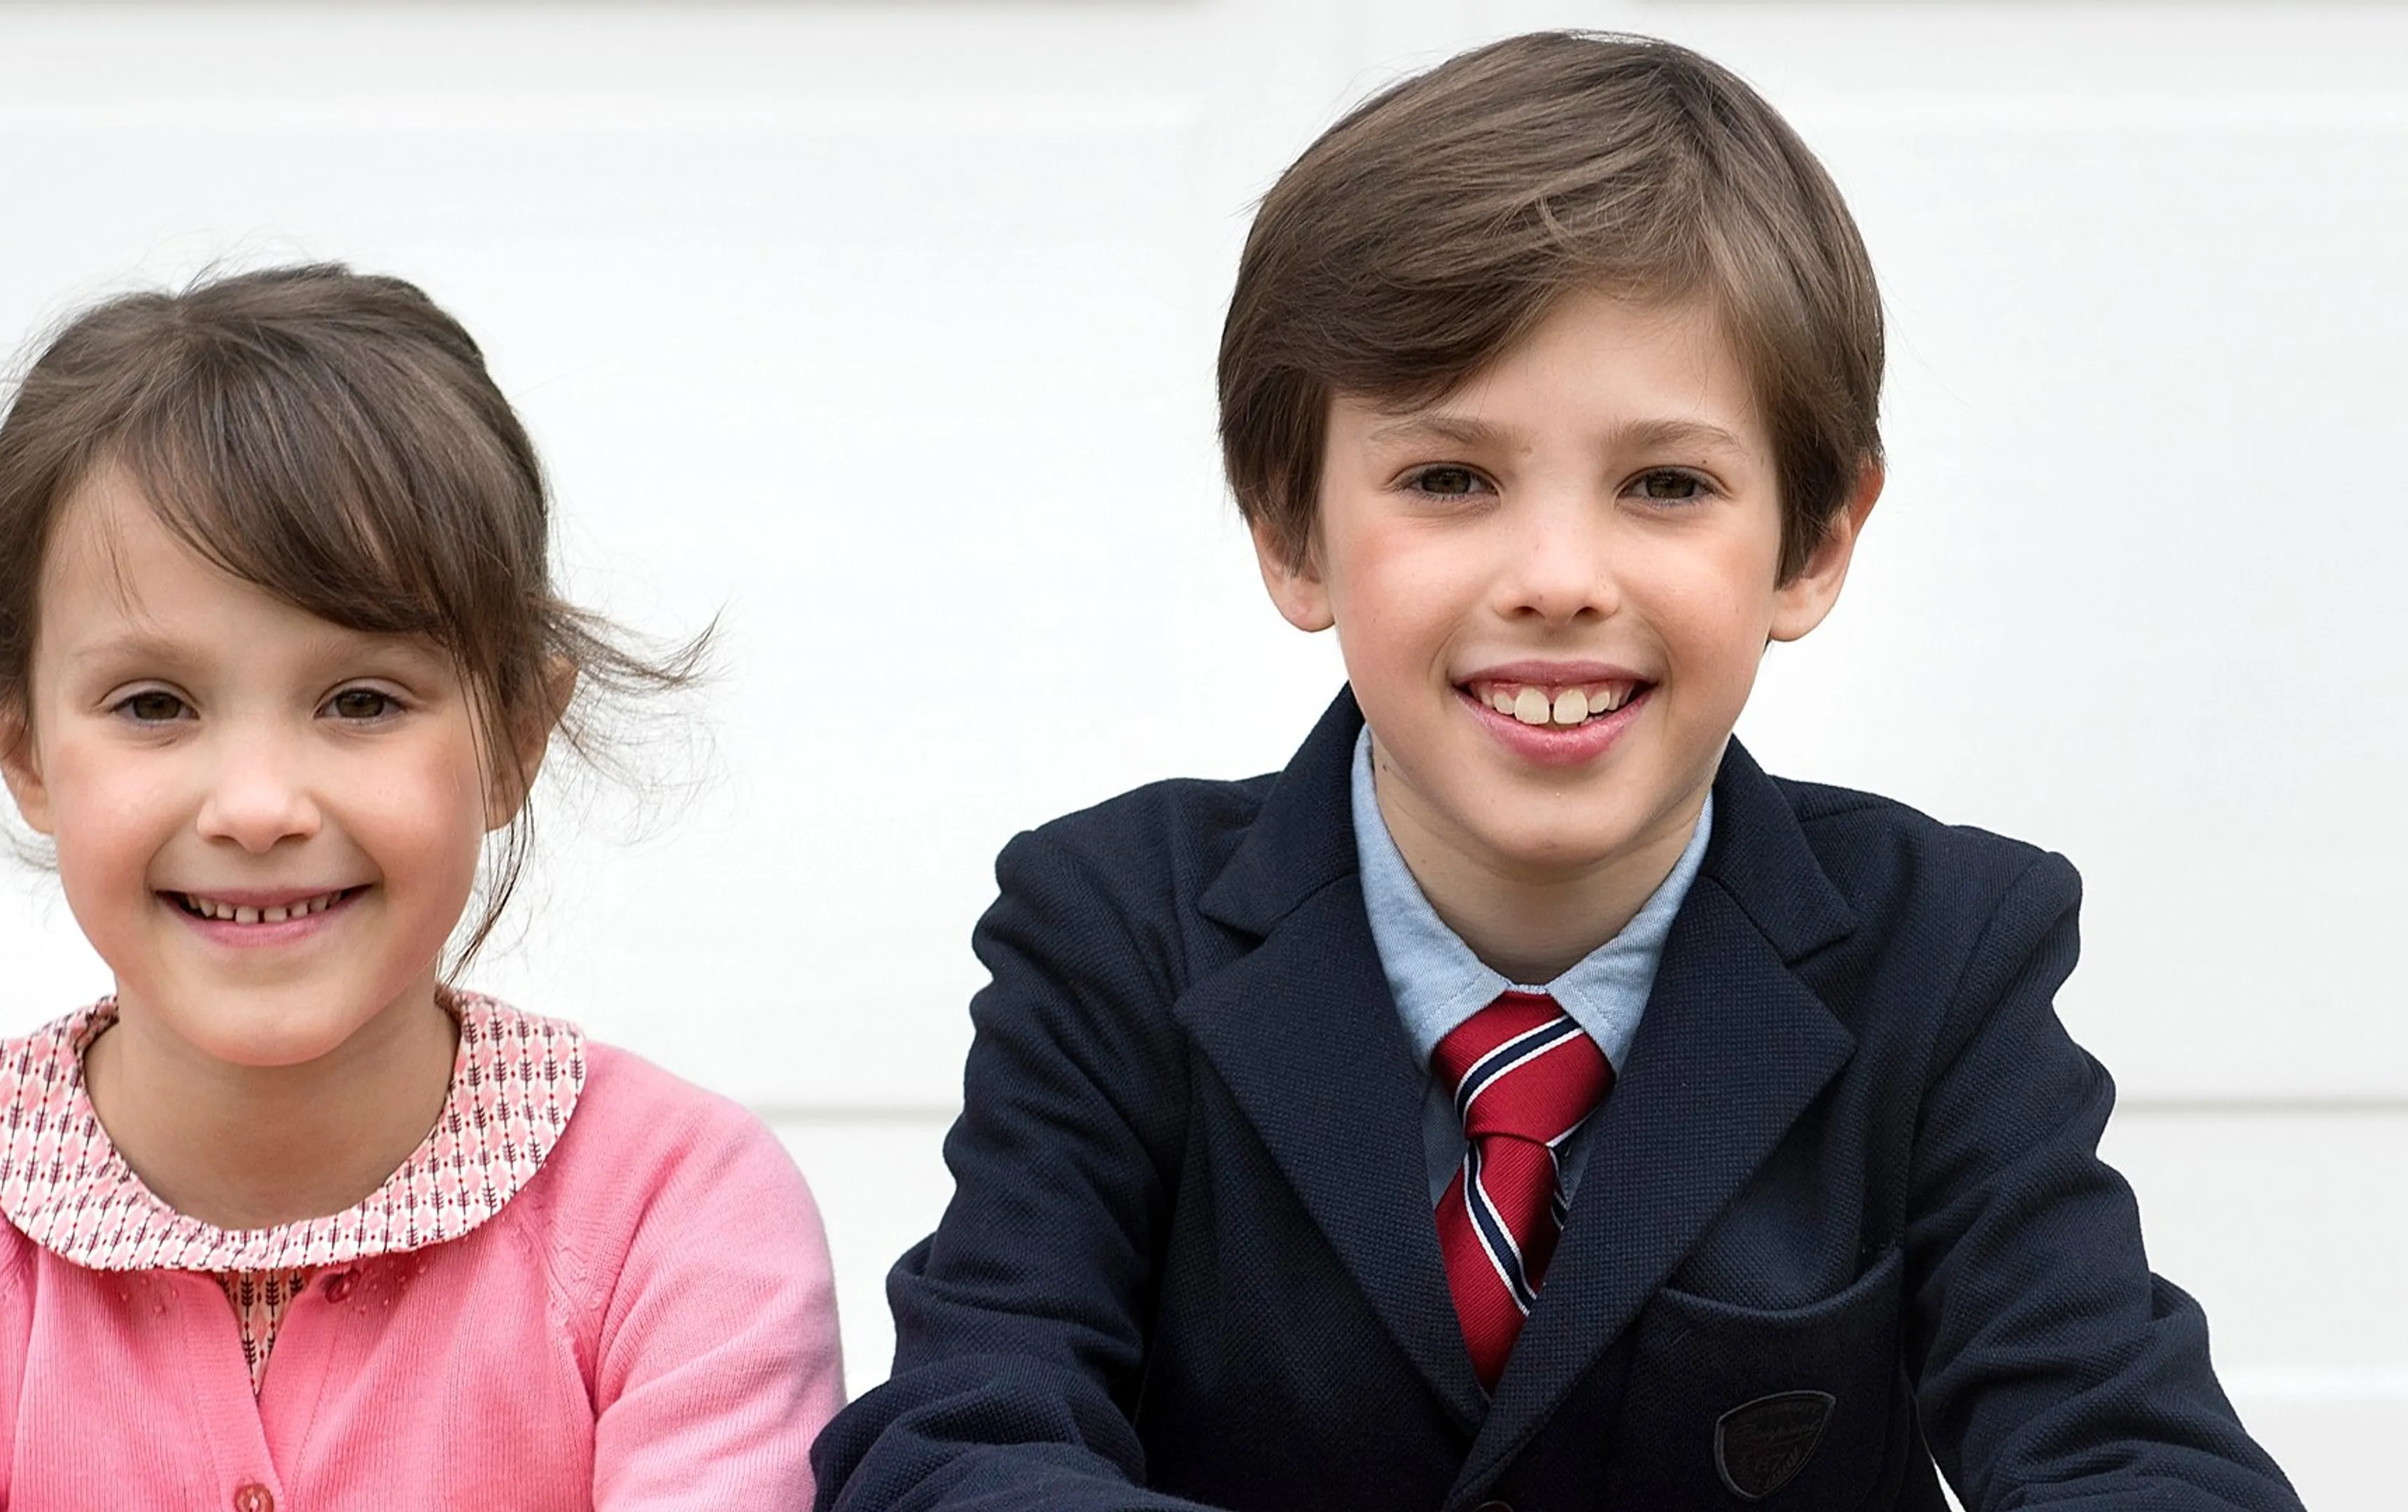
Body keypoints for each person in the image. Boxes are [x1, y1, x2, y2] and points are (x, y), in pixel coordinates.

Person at [812, 31, 2300, 1512]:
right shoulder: (1113, 931)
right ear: (1289, 530)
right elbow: (963, 1442)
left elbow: (2142, 1463)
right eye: (1450, 478)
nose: (1558, 578)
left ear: (1817, 541)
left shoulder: (1946, 951)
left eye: (1667, 485)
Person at [0, 264, 843, 1510]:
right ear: (22, 749)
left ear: (518, 737)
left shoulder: (679, 1213)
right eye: (154, 705)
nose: (259, 806)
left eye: (361, 701)